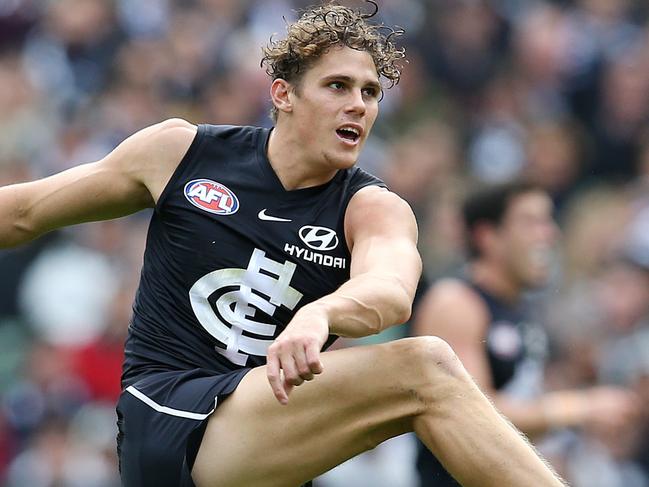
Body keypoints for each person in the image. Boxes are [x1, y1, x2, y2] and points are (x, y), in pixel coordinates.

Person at [0, 3, 566, 487]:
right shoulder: (182, 153)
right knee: (426, 367)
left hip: (266, 431)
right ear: (283, 94)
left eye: (370, 93)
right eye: (338, 86)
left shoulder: (372, 207)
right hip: (169, 415)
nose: (359, 106)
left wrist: (321, 313)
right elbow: (24, 212)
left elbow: (392, 290)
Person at [413, 181, 639, 486]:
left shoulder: (521, 310)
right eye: (532, 222)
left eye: (547, 222)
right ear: (487, 236)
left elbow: (523, 407)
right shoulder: (456, 302)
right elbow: (472, 415)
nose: (549, 234)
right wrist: (581, 407)